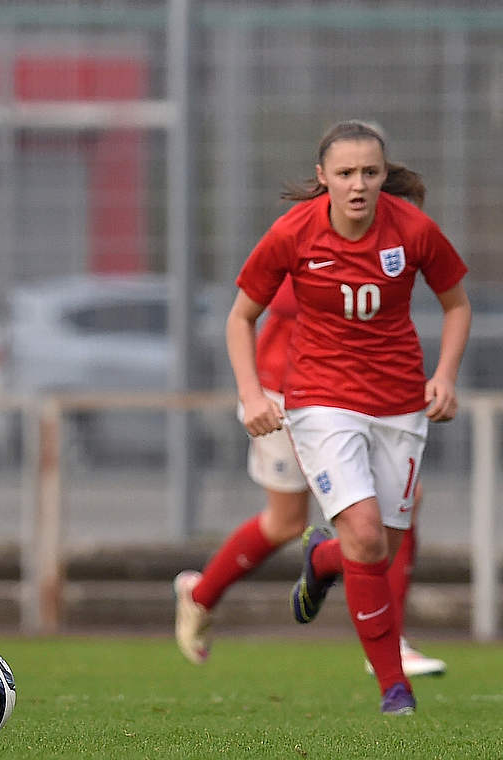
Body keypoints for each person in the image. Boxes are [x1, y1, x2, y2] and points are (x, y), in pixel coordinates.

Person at [222, 120, 469, 716]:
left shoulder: (412, 230)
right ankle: (394, 689)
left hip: (400, 404)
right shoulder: (293, 233)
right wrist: (253, 395)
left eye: (370, 173)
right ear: (322, 178)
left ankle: (322, 558)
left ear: (384, 175)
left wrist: (445, 376)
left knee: (376, 546)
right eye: (346, 174)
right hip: (321, 400)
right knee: (364, 534)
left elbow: (457, 303)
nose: (358, 185)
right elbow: (239, 318)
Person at [174, 276, 446, 678]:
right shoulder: (308, 232)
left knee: (400, 504)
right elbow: (282, 303)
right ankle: (199, 596)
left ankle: (390, 642)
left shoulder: (377, 225)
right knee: (285, 523)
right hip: (282, 395)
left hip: (342, 397)